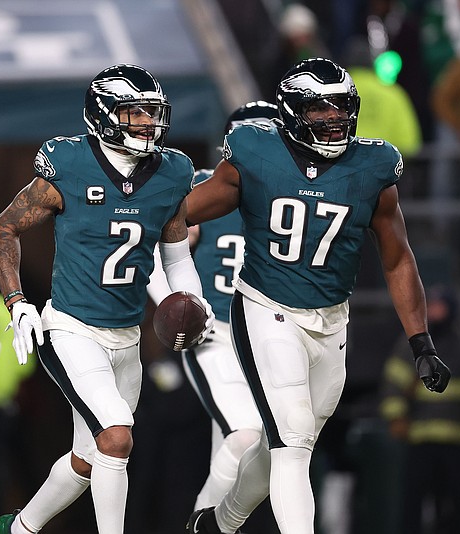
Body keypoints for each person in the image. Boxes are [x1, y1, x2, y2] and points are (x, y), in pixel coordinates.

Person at [184, 57, 451, 534]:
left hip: (332, 320)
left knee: (280, 443)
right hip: (266, 308)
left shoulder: (372, 166)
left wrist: (421, 342)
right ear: (289, 113)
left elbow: (397, 257)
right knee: (293, 436)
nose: (333, 118)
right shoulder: (254, 151)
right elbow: (181, 214)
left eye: (341, 107)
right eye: (319, 109)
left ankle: (219, 524)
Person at [0, 63, 213, 534]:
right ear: (104, 116)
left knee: (88, 458)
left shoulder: (171, 172)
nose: (148, 124)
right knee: (115, 437)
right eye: (135, 114)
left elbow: (174, 256)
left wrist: (191, 299)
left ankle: (19, 529)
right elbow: (5, 227)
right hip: (71, 329)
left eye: (152, 114)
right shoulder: (68, 164)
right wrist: (16, 300)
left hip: (126, 336)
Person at [147, 101, 279, 515]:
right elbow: (156, 253)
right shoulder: (204, 188)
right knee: (244, 436)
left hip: (271, 337)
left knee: (258, 447)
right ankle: (203, 522)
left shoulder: (293, 195)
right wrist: (173, 305)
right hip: (217, 333)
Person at [380, 284, 460, 534]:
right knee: (413, 503)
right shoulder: (411, 347)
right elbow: (392, 385)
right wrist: (396, 417)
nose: (434, 311)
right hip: (419, 437)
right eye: (430, 305)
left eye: (439, 305)